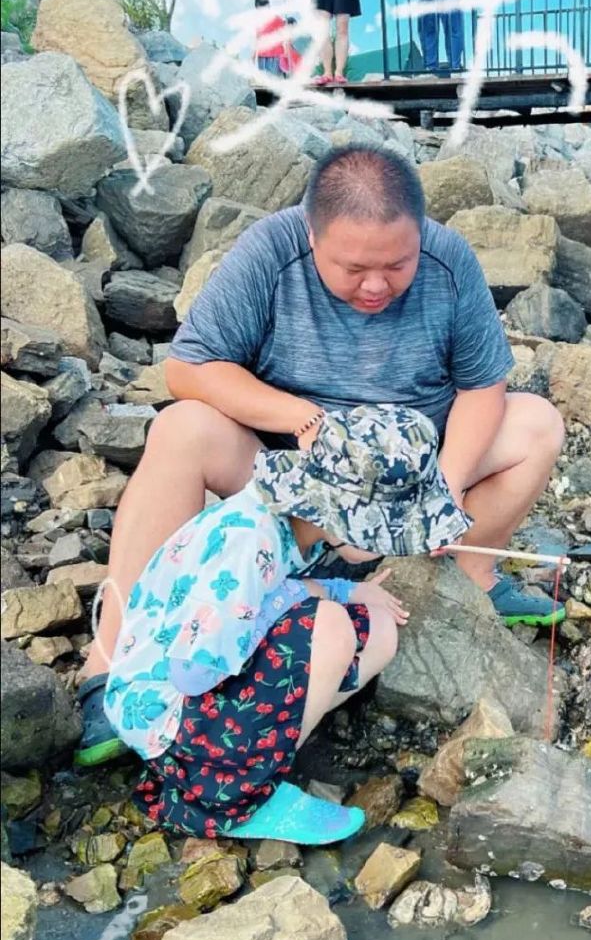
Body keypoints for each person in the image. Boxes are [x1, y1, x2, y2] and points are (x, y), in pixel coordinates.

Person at [74, 146, 566, 767]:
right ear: (312, 233)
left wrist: (444, 487)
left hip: (407, 472)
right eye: (354, 267)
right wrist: (303, 419)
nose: (376, 285)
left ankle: (470, 580)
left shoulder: (449, 261)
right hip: (294, 486)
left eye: (397, 264)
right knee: (181, 430)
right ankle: (112, 664)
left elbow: (481, 386)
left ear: (419, 234)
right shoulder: (271, 251)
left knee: (537, 424)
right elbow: (189, 368)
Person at [104, 404, 468, 843]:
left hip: (201, 682)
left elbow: (275, 594)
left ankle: (262, 748)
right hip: (166, 715)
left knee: (378, 628)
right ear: (342, 517)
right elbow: (193, 672)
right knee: (331, 628)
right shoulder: (246, 542)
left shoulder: (293, 523)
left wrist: (344, 589)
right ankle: (236, 794)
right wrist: (308, 599)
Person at [252, 0, 300, 78]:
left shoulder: (277, 19)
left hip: (275, 57)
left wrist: (288, 54)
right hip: (261, 58)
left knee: (275, 82)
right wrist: (253, 56)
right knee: (264, 84)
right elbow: (257, 40)